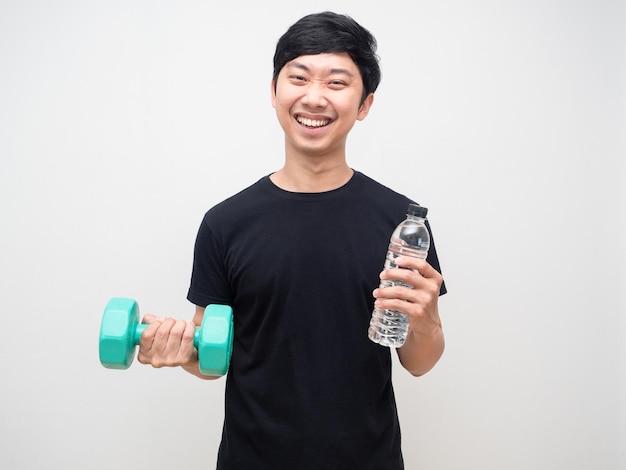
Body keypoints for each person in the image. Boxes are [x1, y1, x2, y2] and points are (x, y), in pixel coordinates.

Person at [138, 11, 446, 469]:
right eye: (298, 78)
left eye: (337, 83)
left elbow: (419, 362)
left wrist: (424, 320)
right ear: (274, 91)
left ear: (365, 105)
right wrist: (177, 350)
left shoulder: (401, 224)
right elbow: (212, 357)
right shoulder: (225, 223)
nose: (314, 97)